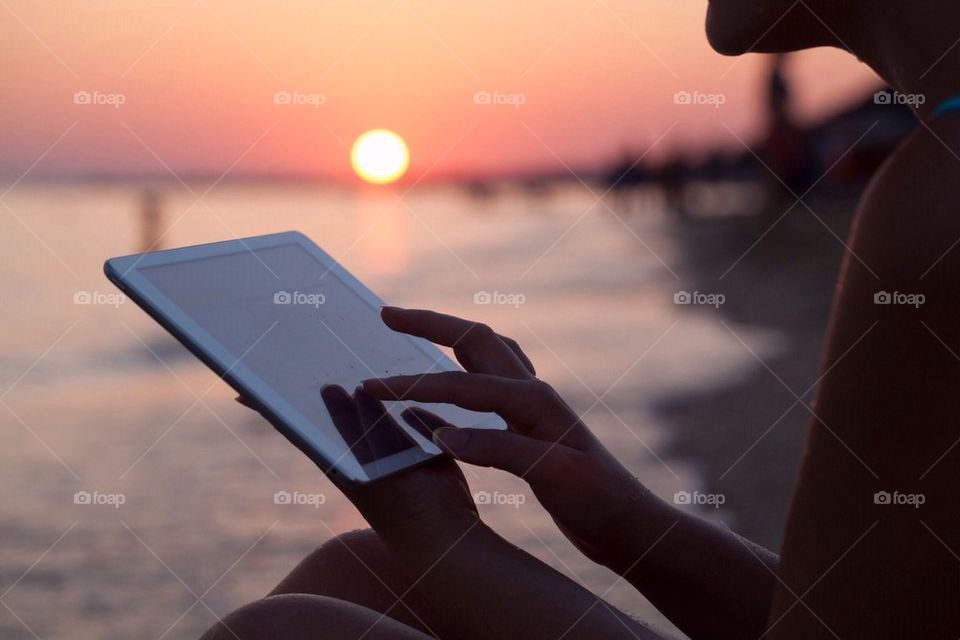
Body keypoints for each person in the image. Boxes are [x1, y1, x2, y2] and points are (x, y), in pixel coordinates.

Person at [203, 1, 960, 637]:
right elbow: (848, 618)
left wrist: (441, 537)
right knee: (365, 568)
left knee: (281, 632)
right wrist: (626, 521)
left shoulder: (936, 203)